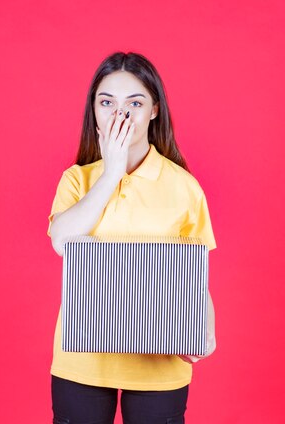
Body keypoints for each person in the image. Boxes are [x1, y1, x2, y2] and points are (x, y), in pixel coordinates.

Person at [47, 51, 217, 424]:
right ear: (93, 110)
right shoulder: (77, 180)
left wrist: (207, 326)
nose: (119, 115)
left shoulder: (184, 186)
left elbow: (196, 271)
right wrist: (110, 173)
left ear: (154, 109)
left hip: (160, 362)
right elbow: (61, 240)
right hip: (82, 361)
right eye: (107, 102)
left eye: (134, 103)